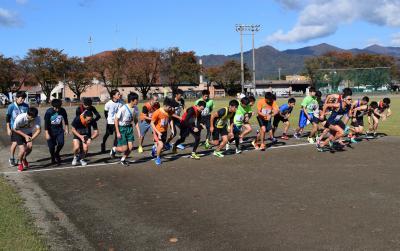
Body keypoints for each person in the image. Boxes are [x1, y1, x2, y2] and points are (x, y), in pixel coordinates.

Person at [114, 92, 140, 166]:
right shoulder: (123, 108)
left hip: (129, 128)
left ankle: (123, 159)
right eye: (136, 99)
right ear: (132, 100)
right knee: (124, 149)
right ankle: (114, 149)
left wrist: (139, 132)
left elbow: (135, 121)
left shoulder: (136, 108)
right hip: (122, 129)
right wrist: (118, 132)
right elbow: (116, 120)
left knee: (130, 147)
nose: (137, 101)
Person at [12, 107, 41, 172]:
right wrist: (25, 136)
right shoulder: (20, 118)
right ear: (27, 114)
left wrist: (31, 138)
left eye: (33, 118)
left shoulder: (37, 118)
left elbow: (38, 130)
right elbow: (14, 129)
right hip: (18, 132)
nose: (32, 119)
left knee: (30, 147)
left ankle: (24, 158)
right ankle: (20, 163)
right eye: (30, 117)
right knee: (22, 150)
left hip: (28, 133)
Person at [6, 91, 29, 166]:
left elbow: (28, 117)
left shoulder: (26, 106)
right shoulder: (11, 106)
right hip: (14, 127)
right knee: (15, 143)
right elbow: (8, 117)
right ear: (16, 98)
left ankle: (23, 158)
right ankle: (12, 158)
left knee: (25, 145)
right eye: (21, 98)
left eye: (24, 98)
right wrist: (8, 128)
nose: (23, 100)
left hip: (23, 128)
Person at [44, 99, 69, 165]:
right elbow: (46, 123)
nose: (58, 109)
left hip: (59, 130)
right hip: (50, 131)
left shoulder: (62, 110)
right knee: (51, 146)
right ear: (53, 106)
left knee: (61, 143)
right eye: (56, 108)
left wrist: (66, 128)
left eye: (59, 108)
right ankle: (53, 157)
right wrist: (46, 133)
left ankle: (57, 153)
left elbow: (66, 119)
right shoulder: (48, 112)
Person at [150, 98, 174, 165]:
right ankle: (157, 158)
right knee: (161, 145)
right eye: (169, 107)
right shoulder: (157, 112)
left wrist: (172, 128)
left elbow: (170, 119)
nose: (170, 108)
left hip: (164, 132)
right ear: (165, 105)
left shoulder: (169, 111)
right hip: (157, 132)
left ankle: (154, 149)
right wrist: (157, 132)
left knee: (162, 148)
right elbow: (152, 123)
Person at [101, 90, 123, 154]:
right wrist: (108, 120)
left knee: (117, 136)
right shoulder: (108, 104)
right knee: (107, 134)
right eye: (118, 94)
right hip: (110, 123)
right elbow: (105, 113)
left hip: (117, 122)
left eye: (119, 94)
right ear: (113, 96)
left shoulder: (121, 103)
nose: (119, 95)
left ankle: (114, 149)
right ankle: (103, 144)